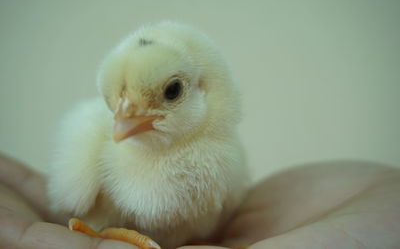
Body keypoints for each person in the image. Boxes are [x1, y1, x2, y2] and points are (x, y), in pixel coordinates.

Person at [0, 153, 399, 249]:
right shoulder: (101, 143)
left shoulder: (220, 157)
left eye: (171, 91)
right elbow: (71, 195)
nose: (126, 115)